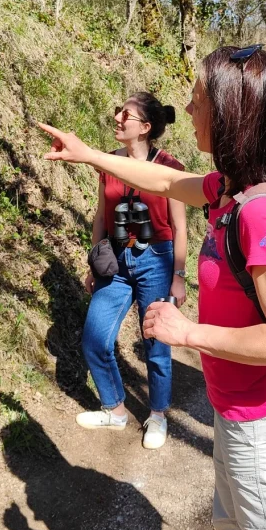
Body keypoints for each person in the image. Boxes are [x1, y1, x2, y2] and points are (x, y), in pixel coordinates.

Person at [41, 45, 266, 530]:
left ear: (231, 111)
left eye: (199, 98)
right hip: (235, 417)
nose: (189, 106)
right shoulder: (228, 188)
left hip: (258, 427)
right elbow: (161, 183)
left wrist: (188, 332)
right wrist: (89, 156)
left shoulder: (262, 211)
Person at [75, 92, 188, 451]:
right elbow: (99, 215)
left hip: (157, 258)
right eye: (118, 112)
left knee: (155, 342)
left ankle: (157, 414)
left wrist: (179, 276)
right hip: (116, 260)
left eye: (127, 115)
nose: (118, 119)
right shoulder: (107, 162)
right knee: (95, 337)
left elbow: (179, 226)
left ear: (146, 128)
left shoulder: (169, 166)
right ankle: (115, 409)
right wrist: (93, 260)